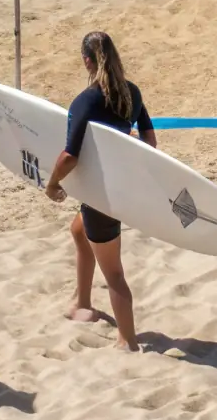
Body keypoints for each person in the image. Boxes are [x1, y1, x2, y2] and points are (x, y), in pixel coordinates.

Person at [45, 32, 155, 352]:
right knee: (78, 232)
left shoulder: (86, 101)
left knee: (114, 273)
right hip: (118, 188)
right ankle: (83, 303)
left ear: (86, 62)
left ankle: (128, 340)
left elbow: (70, 156)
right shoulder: (132, 94)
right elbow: (150, 142)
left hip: (100, 196)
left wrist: (52, 184)